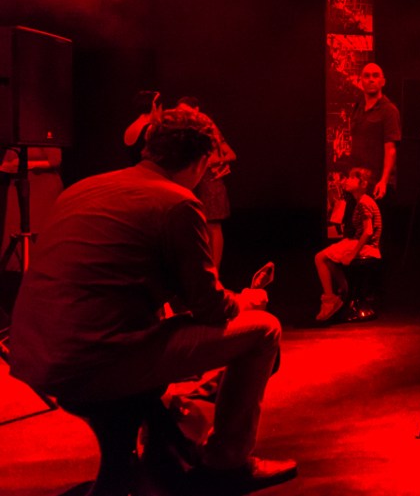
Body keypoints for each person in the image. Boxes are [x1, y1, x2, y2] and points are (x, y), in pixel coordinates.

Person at [8, 108, 297, 490]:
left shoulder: (83, 188)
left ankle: (165, 445)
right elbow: (210, 307)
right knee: (264, 330)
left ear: (149, 148)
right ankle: (227, 464)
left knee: (161, 328)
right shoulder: (178, 203)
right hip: (96, 363)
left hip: (37, 358)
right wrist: (246, 301)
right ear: (202, 160)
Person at [176, 97, 236, 270]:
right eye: (180, 111)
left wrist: (213, 162)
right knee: (197, 225)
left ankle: (214, 269)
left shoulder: (207, 127)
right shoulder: (186, 129)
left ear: (196, 110)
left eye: (186, 111)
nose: (183, 115)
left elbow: (230, 154)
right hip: (193, 181)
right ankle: (203, 266)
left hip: (209, 181)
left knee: (213, 224)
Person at [314, 167, 382, 322]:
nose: (347, 180)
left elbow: (368, 232)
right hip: (360, 243)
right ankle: (345, 291)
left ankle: (330, 300)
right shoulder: (360, 202)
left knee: (319, 258)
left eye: (352, 178)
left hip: (366, 247)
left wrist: (352, 254)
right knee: (328, 259)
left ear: (363, 183)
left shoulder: (364, 203)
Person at [0, 146, 63, 270]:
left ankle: (39, 267)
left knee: (39, 229)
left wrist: (24, 164)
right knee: (14, 227)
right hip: (16, 186)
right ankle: (16, 269)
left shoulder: (43, 136)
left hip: (41, 188)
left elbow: (55, 160)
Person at [349, 63, 400, 201]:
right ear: (361, 81)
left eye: (375, 76)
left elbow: (391, 149)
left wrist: (384, 181)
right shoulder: (358, 107)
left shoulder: (389, 111)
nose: (371, 79)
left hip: (376, 183)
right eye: (367, 76)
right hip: (357, 181)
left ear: (383, 81)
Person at [123, 90, 161, 165]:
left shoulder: (130, 127)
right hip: (146, 171)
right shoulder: (150, 128)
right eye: (161, 108)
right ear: (154, 107)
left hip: (133, 170)